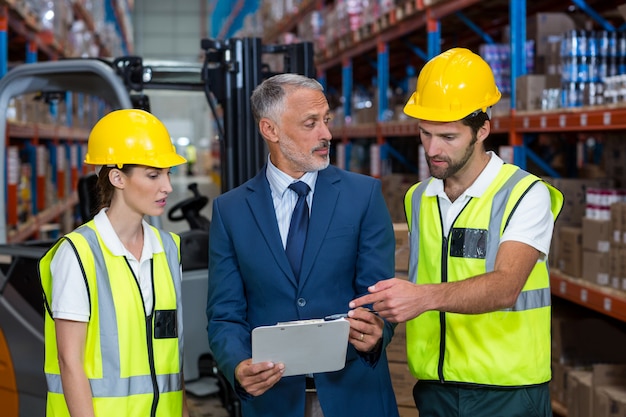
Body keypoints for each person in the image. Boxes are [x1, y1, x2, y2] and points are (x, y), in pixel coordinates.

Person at [350, 48, 564, 417]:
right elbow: (420, 279)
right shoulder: (418, 198)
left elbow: (505, 287)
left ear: (483, 129)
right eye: (425, 134)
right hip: (435, 390)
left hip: (507, 393)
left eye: (448, 136)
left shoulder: (526, 195)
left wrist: (421, 299)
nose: (433, 149)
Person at [206, 73, 400, 417]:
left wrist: (377, 329)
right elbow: (225, 315)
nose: (326, 134)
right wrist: (237, 366)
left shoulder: (363, 196)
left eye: (326, 121)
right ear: (271, 130)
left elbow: (377, 295)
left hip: (354, 396)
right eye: (311, 123)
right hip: (274, 402)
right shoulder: (230, 211)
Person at [39, 109, 190, 417]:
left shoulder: (168, 249)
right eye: (153, 175)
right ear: (117, 177)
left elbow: (171, 360)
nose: (167, 187)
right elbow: (70, 363)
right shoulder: (79, 255)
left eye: (168, 174)